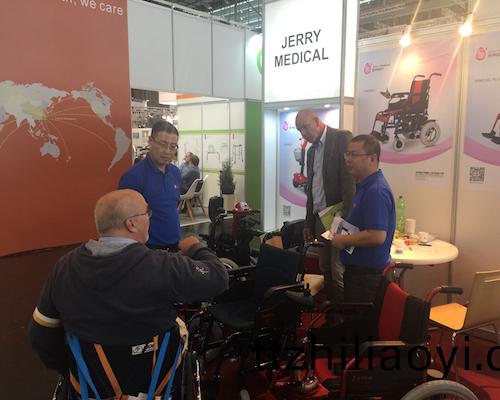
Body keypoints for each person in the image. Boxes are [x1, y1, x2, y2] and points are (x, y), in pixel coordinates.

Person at [29, 189, 229, 398]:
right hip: (157, 385)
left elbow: (41, 335)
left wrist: (70, 368)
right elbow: (219, 277)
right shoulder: (163, 266)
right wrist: (196, 248)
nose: (150, 218)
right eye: (147, 213)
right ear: (131, 223)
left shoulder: (64, 268)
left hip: (90, 387)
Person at [295, 109, 355, 304]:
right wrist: (308, 223)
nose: (303, 133)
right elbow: (312, 190)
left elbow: (349, 182)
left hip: (339, 217)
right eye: (299, 130)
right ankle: (332, 309)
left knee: (338, 269)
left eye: (305, 127)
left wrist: (346, 216)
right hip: (321, 218)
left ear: (316, 121)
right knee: (324, 266)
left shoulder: (341, 138)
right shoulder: (311, 152)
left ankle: (345, 312)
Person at [331, 134, 395, 303]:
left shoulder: (376, 191)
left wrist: (343, 240)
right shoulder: (364, 185)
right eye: (347, 154)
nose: (348, 159)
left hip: (367, 277)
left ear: (372, 159)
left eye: (354, 155)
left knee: (360, 318)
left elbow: (377, 235)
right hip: (359, 273)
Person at [119, 120, 181, 251]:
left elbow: (171, 207)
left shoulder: (175, 173)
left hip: (174, 244)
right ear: (150, 141)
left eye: (172, 146)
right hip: (148, 249)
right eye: (163, 144)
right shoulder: (133, 176)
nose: (167, 151)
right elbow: (125, 219)